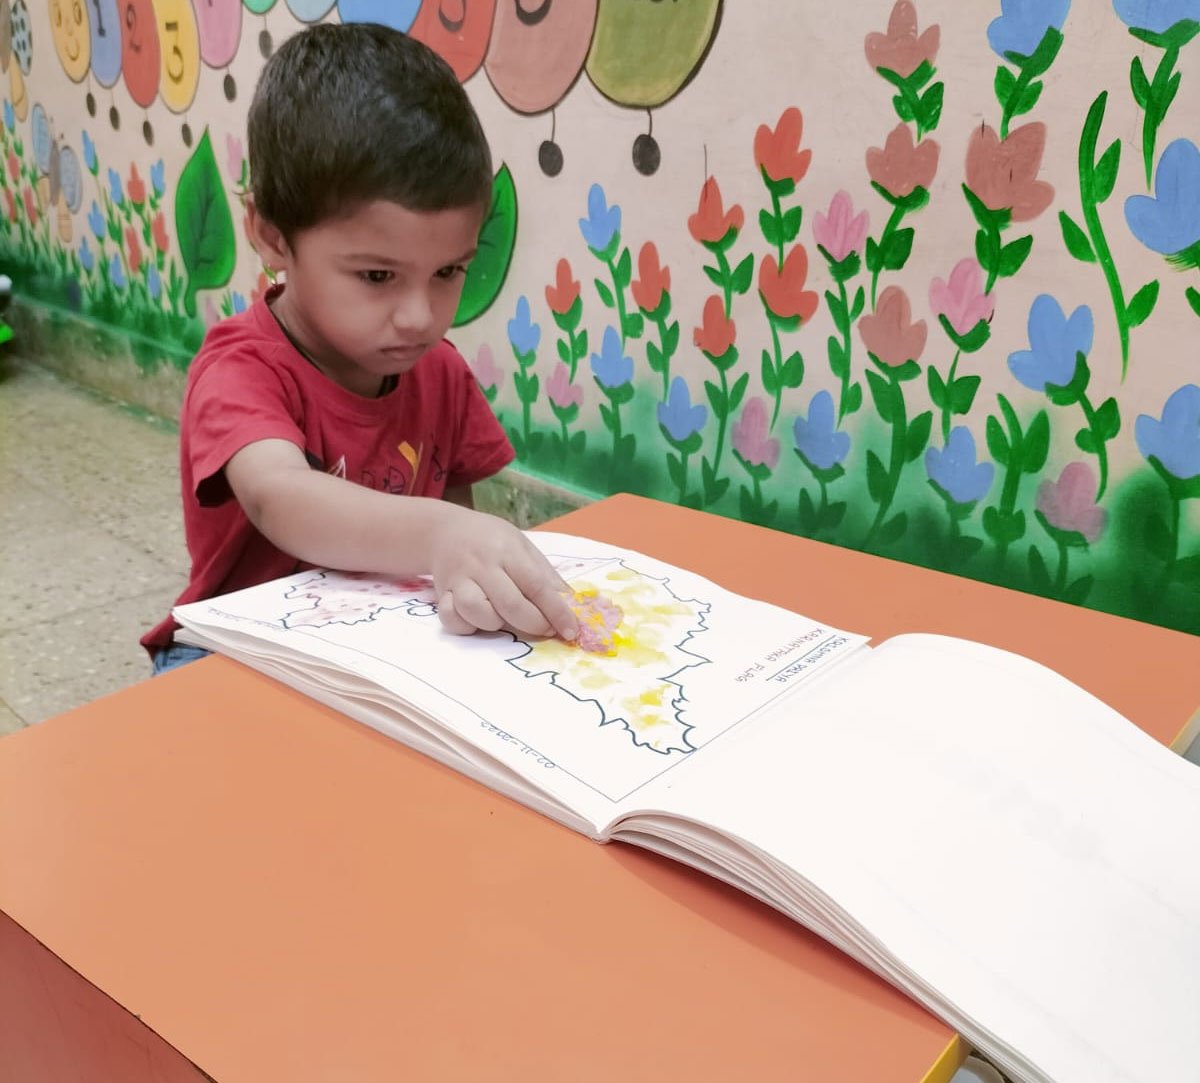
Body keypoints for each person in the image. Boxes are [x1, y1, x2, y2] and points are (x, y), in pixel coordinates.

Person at [142, 22, 578, 673]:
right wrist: (443, 535)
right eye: (377, 276)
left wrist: (470, 581)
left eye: (449, 271)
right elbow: (279, 495)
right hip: (231, 652)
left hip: (388, 649)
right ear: (272, 236)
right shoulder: (241, 368)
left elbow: (454, 536)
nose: (420, 317)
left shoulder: (440, 373)